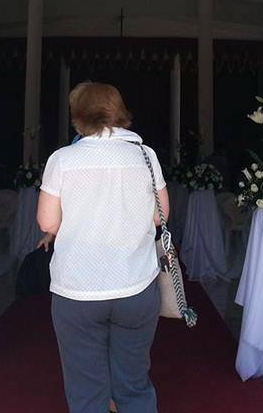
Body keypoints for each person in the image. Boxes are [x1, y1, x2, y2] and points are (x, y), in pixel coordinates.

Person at [37, 82, 169, 413]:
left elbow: (47, 224)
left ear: (78, 116)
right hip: (136, 286)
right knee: (135, 383)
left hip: (77, 289)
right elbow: (160, 216)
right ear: (118, 111)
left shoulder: (63, 159)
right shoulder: (145, 154)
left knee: (86, 388)